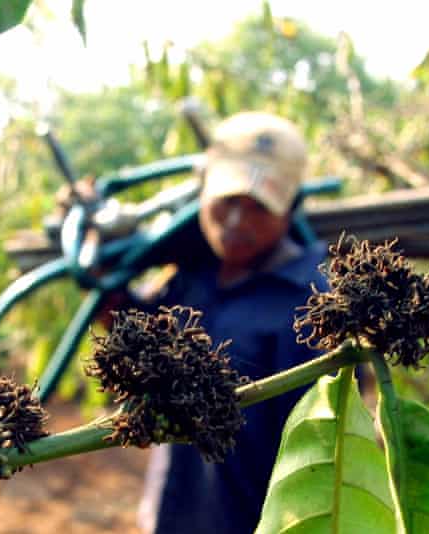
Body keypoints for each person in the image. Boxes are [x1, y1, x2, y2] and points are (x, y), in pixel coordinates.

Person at [128, 111, 329, 533]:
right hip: (172, 512)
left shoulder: (310, 301)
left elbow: (320, 447)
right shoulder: (189, 275)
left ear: (290, 209)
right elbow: (137, 343)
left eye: (258, 207)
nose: (237, 221)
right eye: (228, 201)